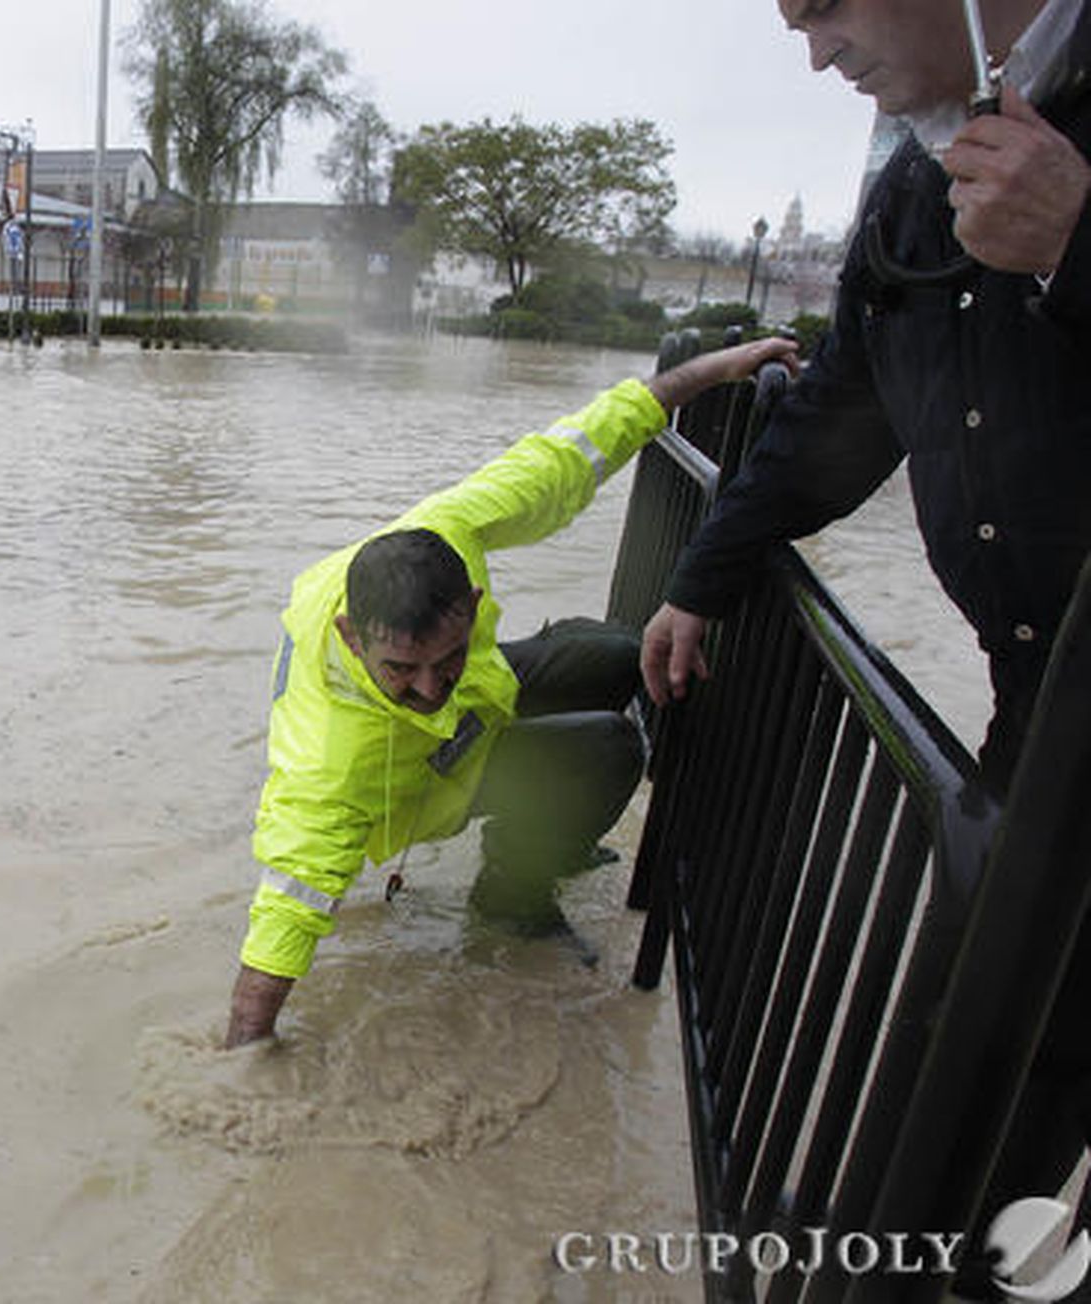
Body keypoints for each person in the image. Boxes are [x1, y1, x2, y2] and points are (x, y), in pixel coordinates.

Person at [637, 0, 1091, 1293]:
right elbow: (837, 410)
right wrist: (699, 581)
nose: (816, 51)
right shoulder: (913, 191)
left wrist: (1077, 242)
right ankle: (896, 1250)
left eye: (828, 4)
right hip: (1045, 714)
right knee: (973, 1027)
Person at [223, 336, 800, 1050]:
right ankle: (509, 894)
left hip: (486, 698)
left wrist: (715, 370)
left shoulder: (452, 524)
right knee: (611, 747)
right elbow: (289, 904)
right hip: (421, 780)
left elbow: (573, 453)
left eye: (446, 658)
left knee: (617, 654)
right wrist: (247, 1051)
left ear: (469, 597)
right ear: (350, 637)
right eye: (401, 670)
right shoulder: (331, 761)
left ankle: (545, 836)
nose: (429, 689)